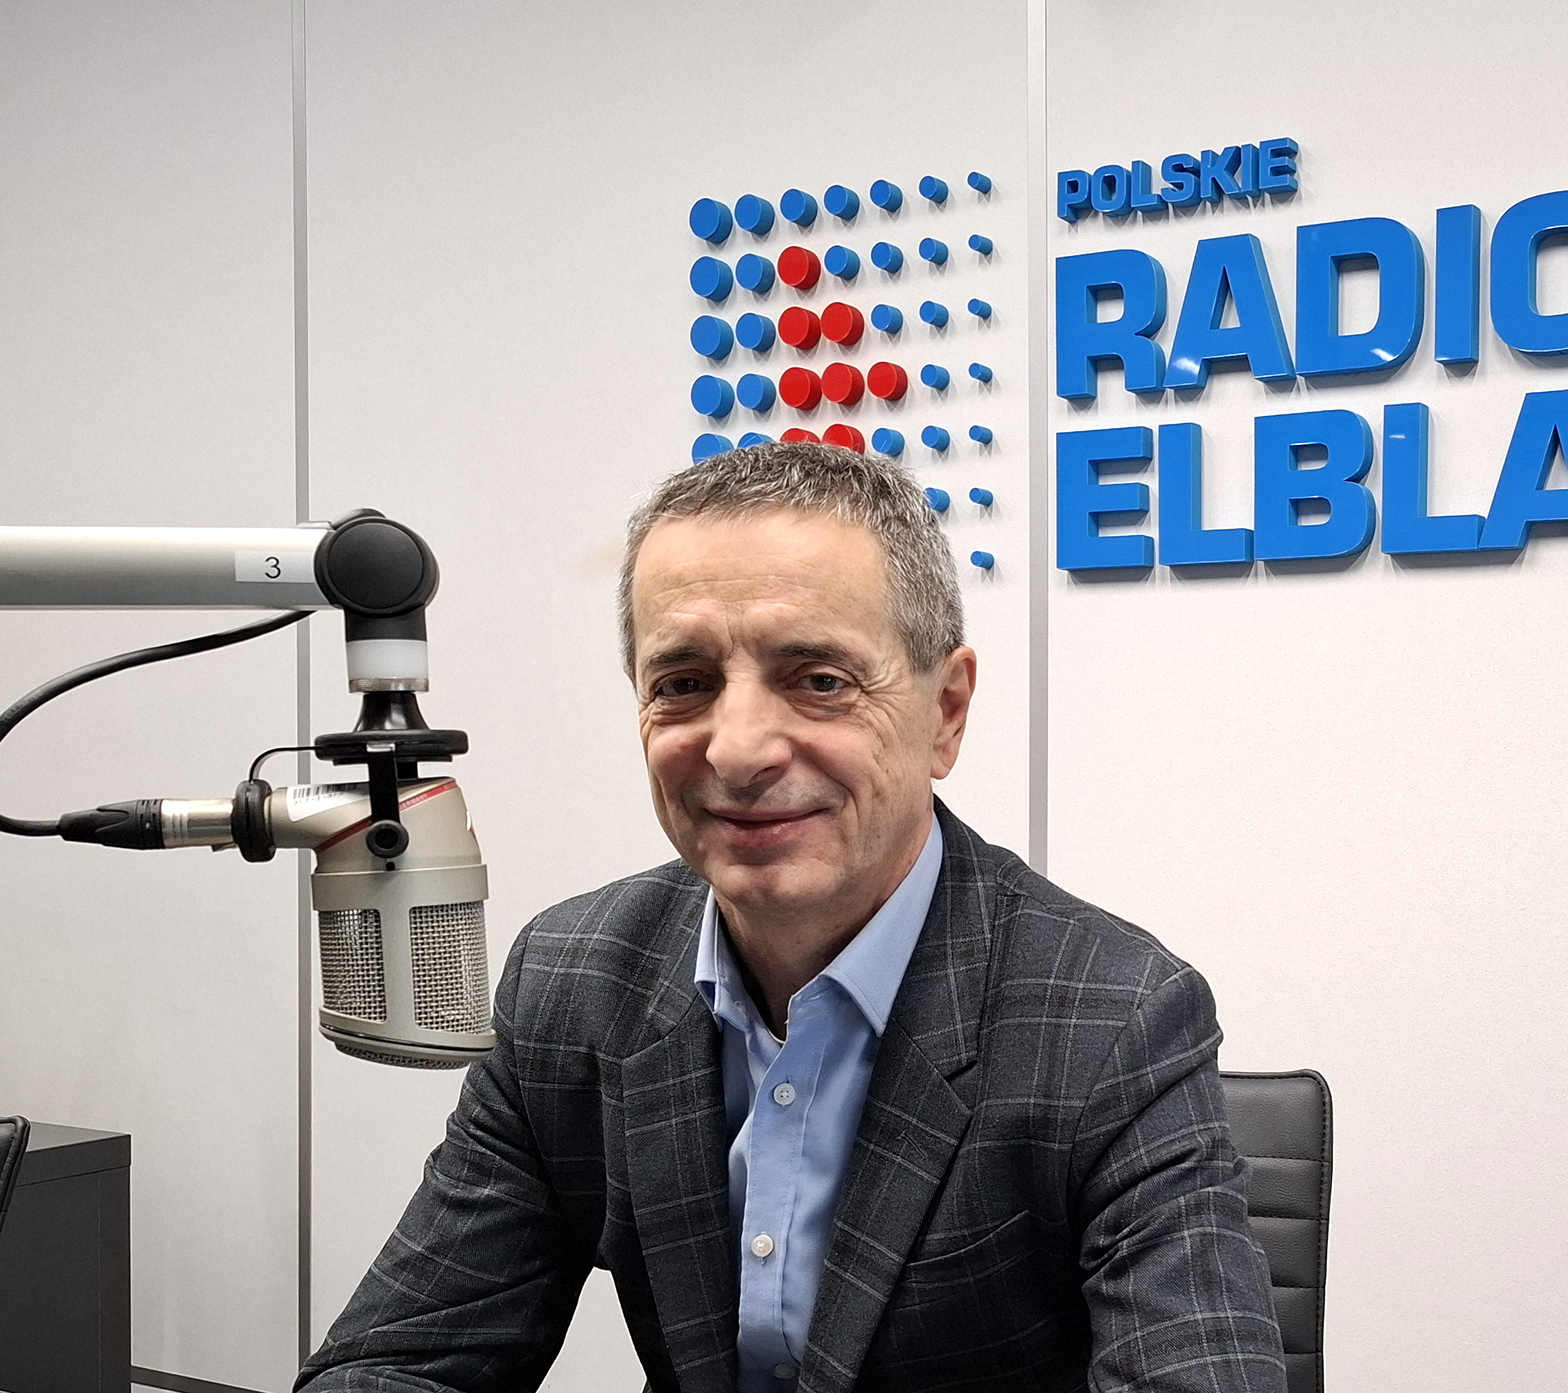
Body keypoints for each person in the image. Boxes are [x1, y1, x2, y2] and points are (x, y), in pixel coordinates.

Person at [296, 442, 1285, 1393]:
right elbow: (396, 1362)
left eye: (818, 680)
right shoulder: (569, 981)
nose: (736, 750)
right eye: (684, 684)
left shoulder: (1116, 1018)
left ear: (945, 712)